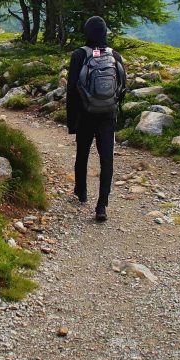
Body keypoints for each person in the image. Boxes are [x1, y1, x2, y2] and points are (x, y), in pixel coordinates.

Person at [66, 16, 126, 222]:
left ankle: (81, 191)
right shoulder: (114, 55)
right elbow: (123, 86)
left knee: (82, 152)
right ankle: (102, 206)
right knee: (106, 159)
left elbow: (72, 89)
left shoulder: (80, 55)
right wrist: (114, 109)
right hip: (107, 115)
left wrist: (72, 121)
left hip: (86, 113)